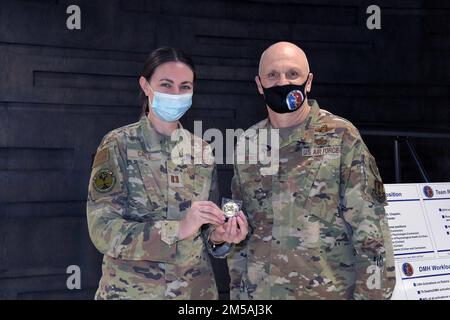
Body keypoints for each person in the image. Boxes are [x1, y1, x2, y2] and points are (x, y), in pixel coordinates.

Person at [227, 42, 396, 300]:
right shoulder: (248, 143)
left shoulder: (341, 136)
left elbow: (373, 237)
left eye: (292, 74)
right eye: (272, 75)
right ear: (260, 84)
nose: (282, 82)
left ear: (308, 82)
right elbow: (239, 237)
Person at [86, 47, 247, 300]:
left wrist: (220, 236)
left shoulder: (202, 151)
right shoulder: (118, 144)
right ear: (145, 85)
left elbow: (205, 230)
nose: (176, 93)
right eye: (166, 84)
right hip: (132, 293)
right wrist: (178, 229)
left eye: (185, 87)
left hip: (194, 294)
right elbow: (103, 231)